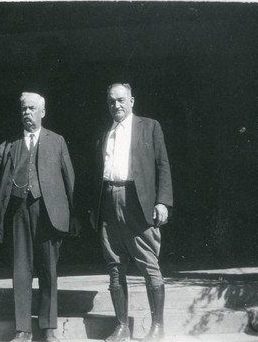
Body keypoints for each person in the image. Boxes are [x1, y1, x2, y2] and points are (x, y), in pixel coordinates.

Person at [0, 92, 78, 342]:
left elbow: (69, 179)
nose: (27, 113)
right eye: (23, 109)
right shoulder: (9, 145)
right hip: (18, 212)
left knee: (48, 269)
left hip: (47, 212)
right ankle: (23, 329)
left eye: (31, 109)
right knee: (20, 269)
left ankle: (48, 327)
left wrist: (74, 214)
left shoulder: (57, 141)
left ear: (43, 112)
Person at [90, 83, 173, 342]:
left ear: (132, 100)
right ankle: (122, 327)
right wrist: (95, 208)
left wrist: (162, 202)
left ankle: (157, 327)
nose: (117, 105)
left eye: (121, 100)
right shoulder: (105, 133)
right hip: (108, 201)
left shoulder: (149, 127)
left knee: (149, 263)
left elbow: (163, 165)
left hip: (139, 202)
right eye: (112, 101)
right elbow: (96, 174)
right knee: (115, 264)